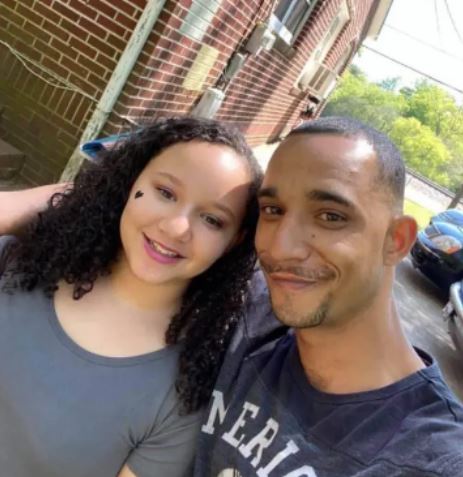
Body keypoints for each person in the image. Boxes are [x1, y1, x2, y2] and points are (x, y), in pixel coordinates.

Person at [193, 117, 463, 476]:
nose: (281, 248)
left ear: (396, 240)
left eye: (331, 217)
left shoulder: (432, 458)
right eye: (273, 210)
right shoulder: (241, 319)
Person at [0, 116, 263, 477]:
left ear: (234, 240)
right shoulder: (18, 264)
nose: (176, 228)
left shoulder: (183, 392)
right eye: (165, 193)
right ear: (130, 182)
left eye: (212, 220)